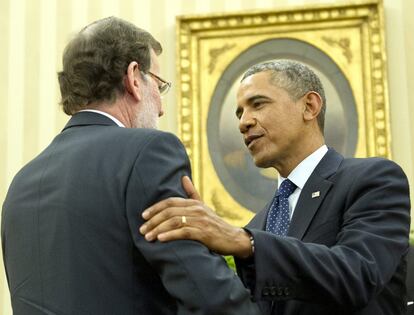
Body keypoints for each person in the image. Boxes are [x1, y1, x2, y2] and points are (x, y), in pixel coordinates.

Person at [1, 17, 263, 315]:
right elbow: (211, 297)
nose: (162, 107)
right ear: (134, 77)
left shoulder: (21, 183)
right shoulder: (148, 152)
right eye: (161, 87)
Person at [139, 60, 411, 315]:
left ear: (309, 106)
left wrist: (245, 242)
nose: (243, 122)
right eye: (239, 112)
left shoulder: (373, 179)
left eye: (257, 104)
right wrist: (203, 248)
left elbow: (360, 274)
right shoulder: (259, 225)